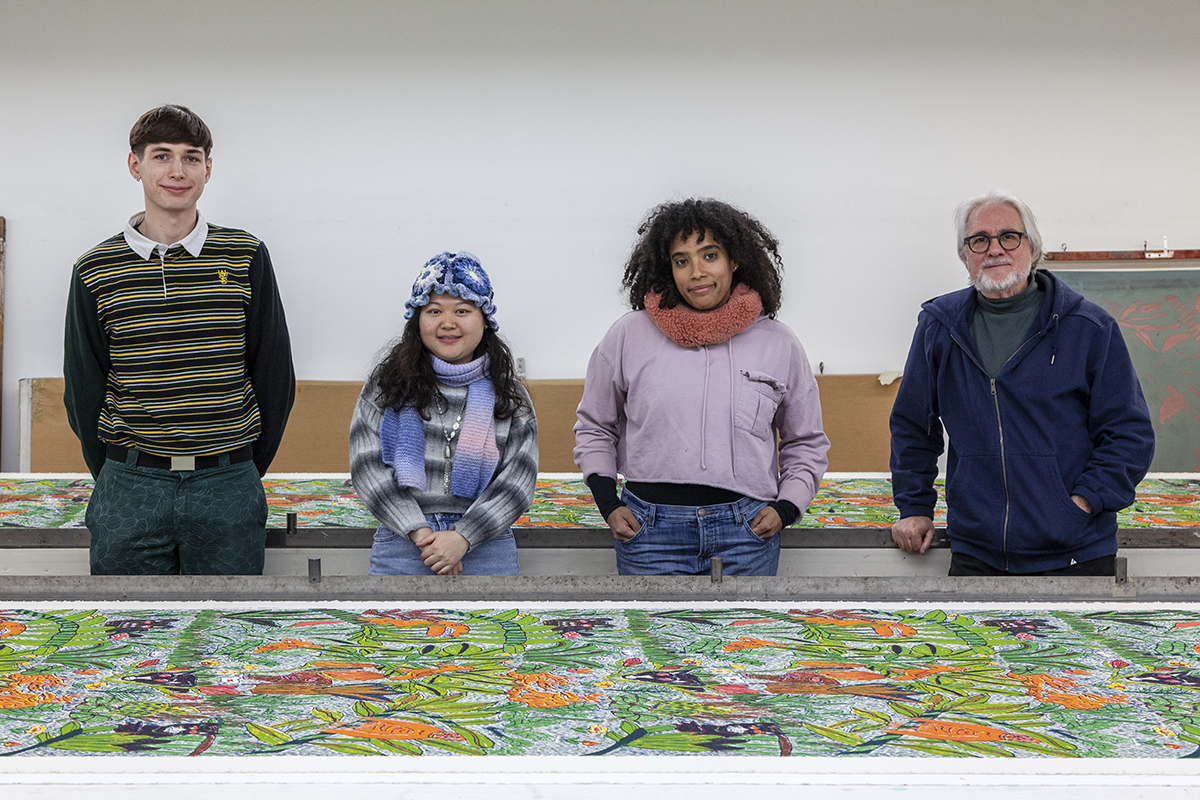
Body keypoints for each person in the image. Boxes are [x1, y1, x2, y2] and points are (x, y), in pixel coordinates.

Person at [64, 104, 295, 576]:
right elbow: (84, 387)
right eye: (162, 156)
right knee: (128, 636)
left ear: (208, 169)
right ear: (136, 165)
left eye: (191, 157)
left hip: (227, 482)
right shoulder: (95, 270)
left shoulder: (245, 254)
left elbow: (274, 375)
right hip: (129, 485)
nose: (177, 171)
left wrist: (241, 468)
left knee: (224, 638)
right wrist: (116, 471)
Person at [890, 189, 1155, 576]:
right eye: (979, 240)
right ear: (965, 255)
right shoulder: (939, 326)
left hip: (1077, 551)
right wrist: (914, 507)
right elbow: (914, 425)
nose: (994, 249)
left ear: (1032, 247)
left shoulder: (1089, 328)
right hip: (977, 552)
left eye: (1009, 237)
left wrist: (1081, 503)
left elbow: (1129, 433)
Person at [574, 198, 829, 576]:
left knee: (745, 638)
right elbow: (595, 425)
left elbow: (805, 441)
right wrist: (608, 504)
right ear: (668, 267)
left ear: (735, 260)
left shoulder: (779, 343)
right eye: (682, 260)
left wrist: (787, 507)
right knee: (652, 638)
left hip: (747, 533)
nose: (696, 272)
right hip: (648, 533)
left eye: (710, 256)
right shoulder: (629, 334)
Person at [350, 252, 537, 576]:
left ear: (484, 319)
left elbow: (519, 479)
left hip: (487, 546)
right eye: (434, 310)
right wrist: (419, 532)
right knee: (397, 630)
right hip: (403, 544)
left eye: (462, 311)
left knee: (493, 629)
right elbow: (366, 465)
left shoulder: (509, 393)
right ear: (418, 318)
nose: (447, 323)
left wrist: (464, 536)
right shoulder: (388, 384)